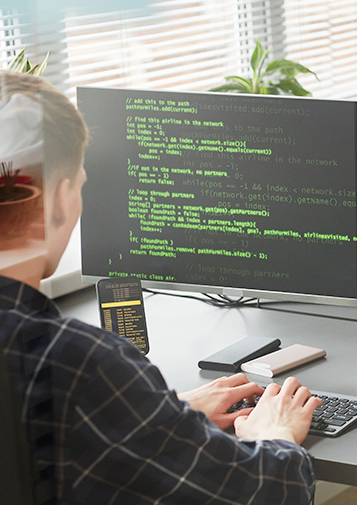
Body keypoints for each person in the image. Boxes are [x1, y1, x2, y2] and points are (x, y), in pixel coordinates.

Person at [0, 71, 320, 503]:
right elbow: (267, 493)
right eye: (80, 186)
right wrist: (274, 434)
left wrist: (161, 415)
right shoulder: (76, 364)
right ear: (59, 200)